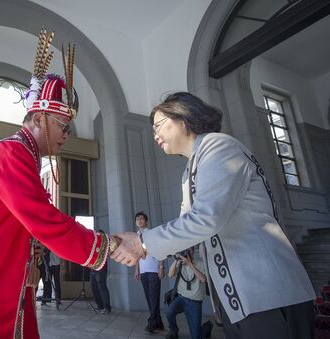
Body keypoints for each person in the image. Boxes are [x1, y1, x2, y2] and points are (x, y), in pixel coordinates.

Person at [0, 30, 128, 339]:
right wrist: (108, 245)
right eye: (63, 126)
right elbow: (44, 219)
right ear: (40, 118)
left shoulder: (23, 156)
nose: (67, 135)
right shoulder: (11, 153)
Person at [112, 92, 316, 339]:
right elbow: (187, 229)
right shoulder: (190, 170)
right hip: (239, 301)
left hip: (269, 295)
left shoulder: (219, 146)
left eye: (158, 125)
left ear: (182, 118)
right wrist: (137, 246)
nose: (155, 135)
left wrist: (141, 242)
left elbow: (206, 218)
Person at [165, 246, 206, 339]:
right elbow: (170, 275)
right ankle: (174, 331)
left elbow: (204, 279)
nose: (187, 252)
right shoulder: (180, 264)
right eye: (185, 250)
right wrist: (176, 259)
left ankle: (206, 329)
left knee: (196, 335)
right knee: (168, 311)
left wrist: (190, 264)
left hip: (195, 302)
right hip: (182, 299)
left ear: (193, 252)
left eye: (190, 250)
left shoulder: (200, 264)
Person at [133, 211, 165, 332]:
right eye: (137, 219)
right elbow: (136, 255)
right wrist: (137, 270)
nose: (139, 220)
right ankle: (158, 322)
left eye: (141, 218)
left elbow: (161, 249)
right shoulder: (135, 236)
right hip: (143, 270)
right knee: (150, 298)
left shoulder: (152, 233)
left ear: (146, 221)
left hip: (153, 268)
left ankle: (151, 323)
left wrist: (161, 267)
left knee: (153, 297)